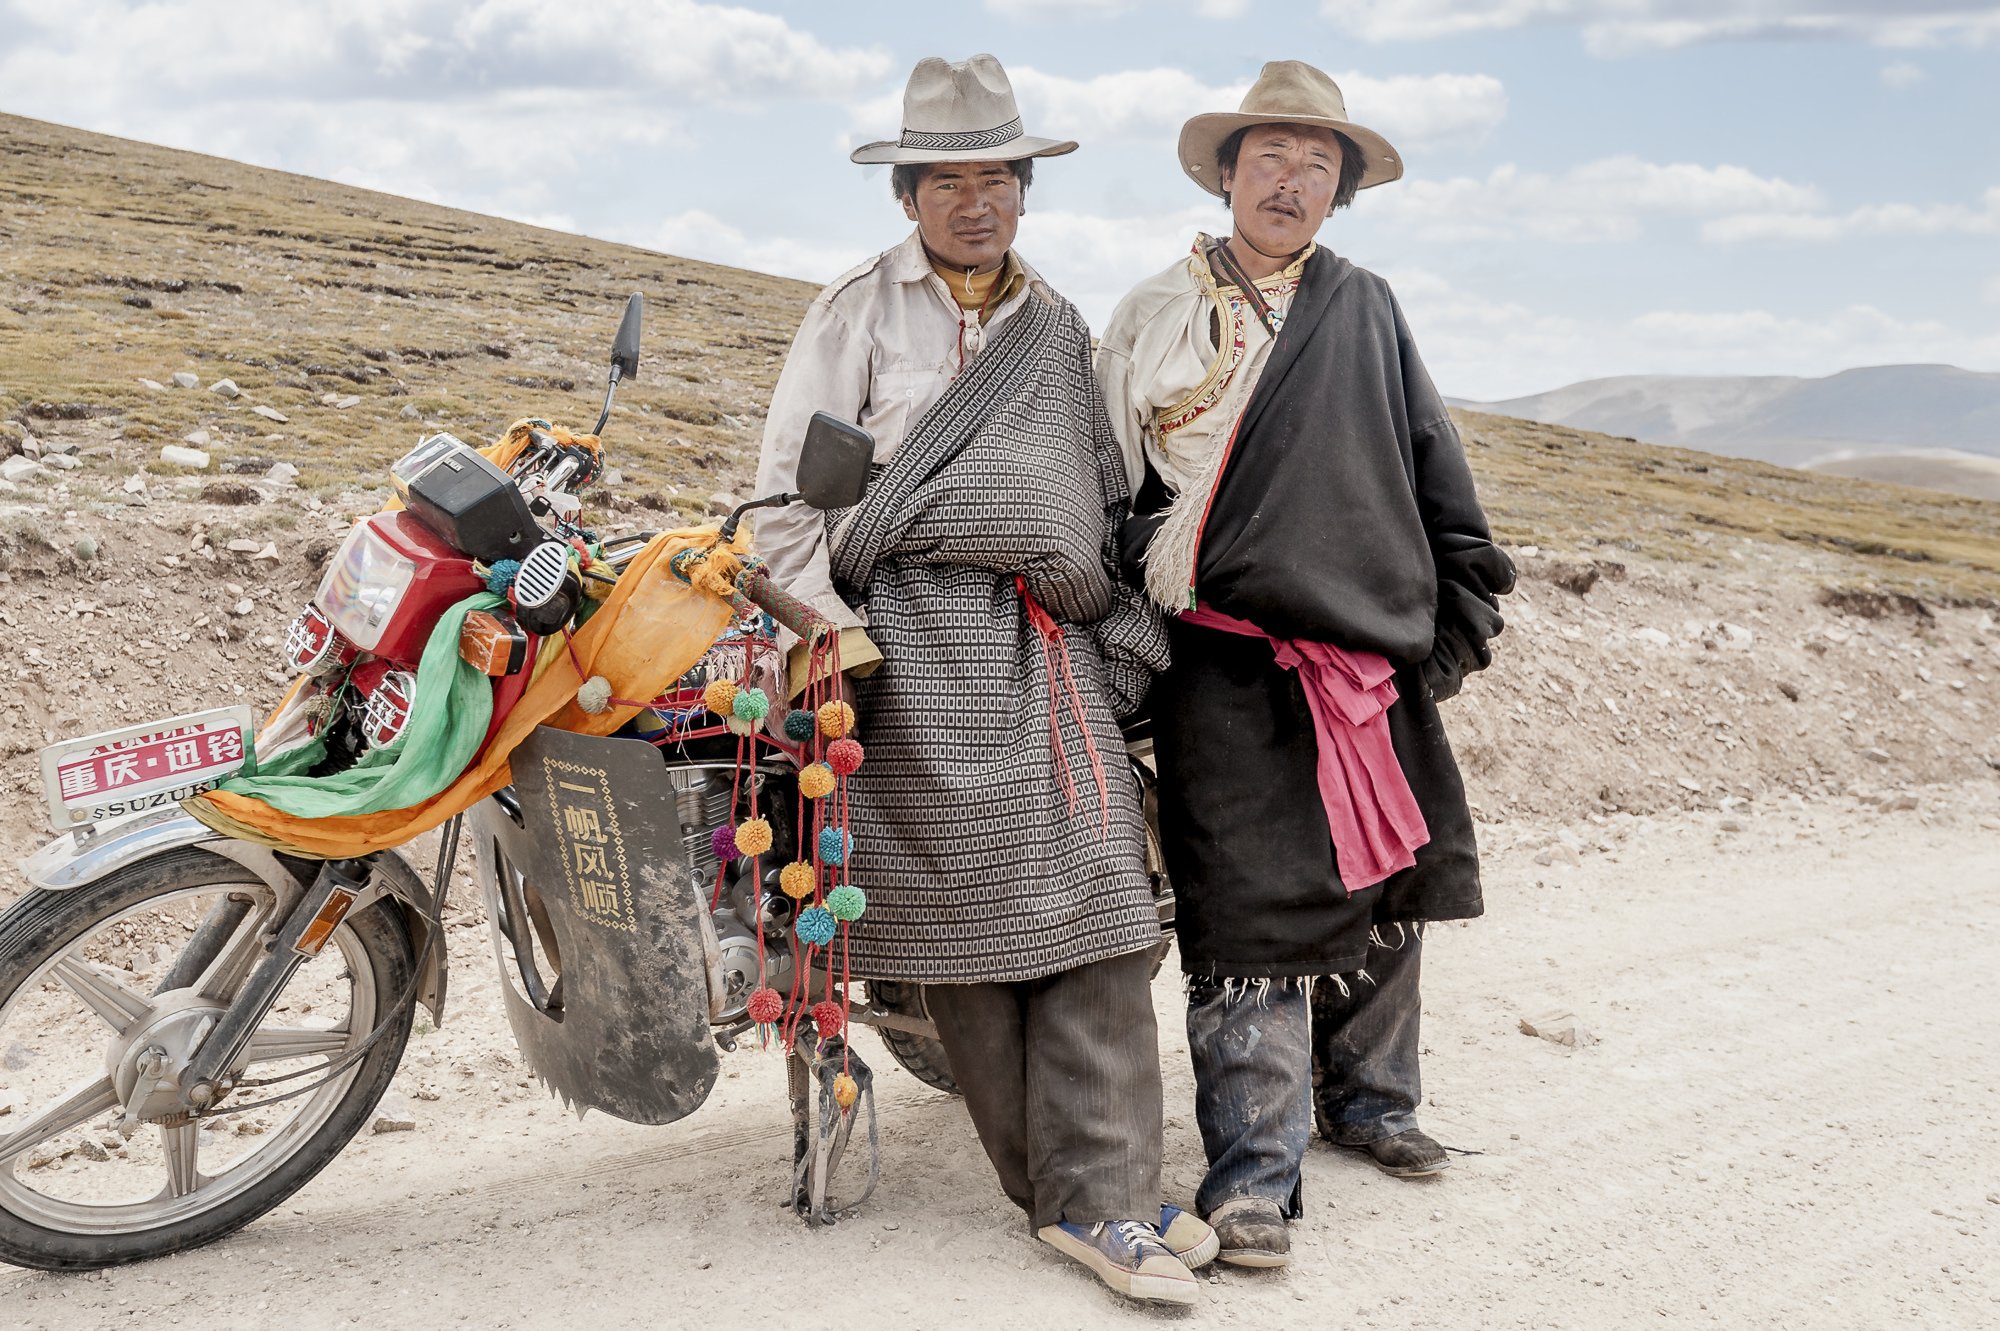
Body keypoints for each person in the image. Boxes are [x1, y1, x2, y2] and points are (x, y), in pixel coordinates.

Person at [753, 53, 1214, 1306]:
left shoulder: (1058, 331)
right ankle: (1083, 1195)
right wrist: (834, 640)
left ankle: (1102, 1183)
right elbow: (783, 506)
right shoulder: (855, 311)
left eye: (995, 176)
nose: (975, 200)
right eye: (946, 179)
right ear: (906, 194)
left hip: (1043, 641)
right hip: (901, 645)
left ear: (1024, 187)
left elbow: (1102, 496)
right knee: (975, 928)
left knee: (1105, 905)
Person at [1095, 60, 1515, 1268]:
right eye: (1268, 156)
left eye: (1316, 165)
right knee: (1247, 917)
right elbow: (1110, 486)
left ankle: (1373, 1102)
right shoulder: (1150, 317)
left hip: (1363, 658)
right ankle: (1251, 1180)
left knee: (1390, 879)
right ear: (1226, 173)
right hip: (1221, 660)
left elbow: (1429, 464)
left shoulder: (1364, 307)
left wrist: (1446, 623)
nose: (1290, 180)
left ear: (1340, 192)